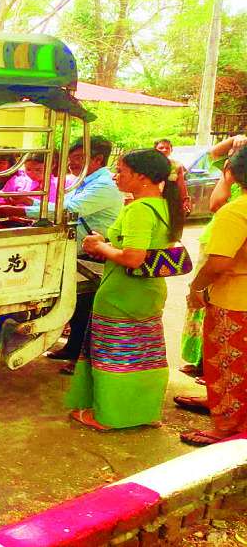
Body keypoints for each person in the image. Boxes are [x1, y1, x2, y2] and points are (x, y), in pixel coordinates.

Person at [65, 148, 184, 431]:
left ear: (141, 177)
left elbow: (133, 257)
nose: (115, 177)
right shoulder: (165, 206)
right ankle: (143, 411)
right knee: (144, 355)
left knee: (113, 355)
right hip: (149, 292)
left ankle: (108, 416)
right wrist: (108, 244)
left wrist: (99, 246)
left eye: (121, 171)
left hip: (122, 293)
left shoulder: (139, 209)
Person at [173, 135, 247, 413]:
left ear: (233, 172)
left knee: (230, 365)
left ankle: (226, 426)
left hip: (234, 300)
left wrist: (196, 287)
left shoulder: (235, 210)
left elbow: (218, 263)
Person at [36, 137, 123, 368]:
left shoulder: (103, 185)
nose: (71, 163)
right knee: (77, 305)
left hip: (95, 255)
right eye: (71, 158)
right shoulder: (83, 182)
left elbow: (69, 209)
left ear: (97, 159)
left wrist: (20, 208)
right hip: (81, 252)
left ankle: (85, 359)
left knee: (88, 308)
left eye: (78, 158)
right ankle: (73, 348)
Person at [154, 139, 191, 215]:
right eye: (161, 148)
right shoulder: (149, 165)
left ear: (171, 150)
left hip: (171, 197)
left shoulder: (177, 165)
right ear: (155, 150)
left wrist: (185, 199)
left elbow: (181, 184)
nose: (164, 150)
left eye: (167, 148)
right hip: (154, 197)